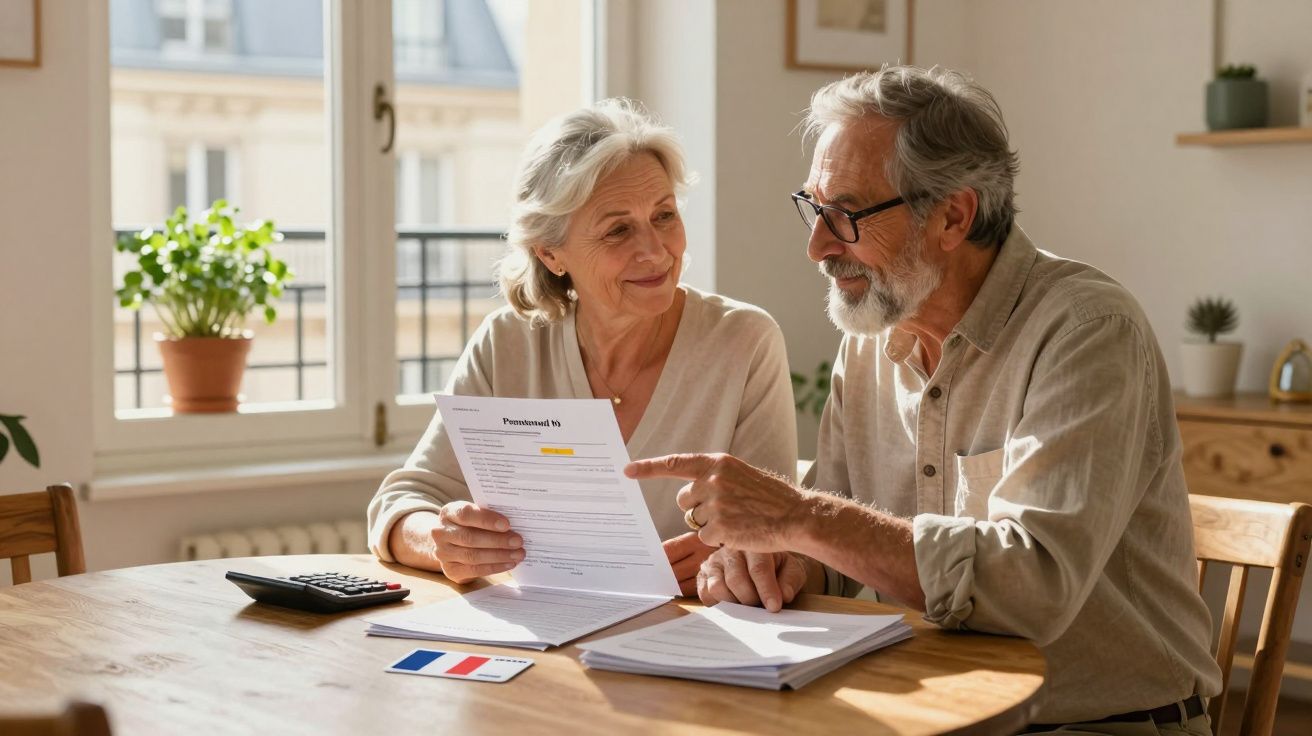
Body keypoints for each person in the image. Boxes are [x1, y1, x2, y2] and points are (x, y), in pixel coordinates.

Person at [626, 66, 1221, 732]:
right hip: (929, 709)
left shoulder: (1086, 332)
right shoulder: (874, 336)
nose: (817, 245)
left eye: (846, 214)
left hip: (1104, 722)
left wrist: (800, 517)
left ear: (953, 216)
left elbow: (1034, 588)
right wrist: (769, 564)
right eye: (814, 208)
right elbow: (832, 561)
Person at [367, 99, 797, 597]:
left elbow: (780, 530)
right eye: (618, 229)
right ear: (550, 253)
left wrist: (737, 557)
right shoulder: (507, 343)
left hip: (693, 640)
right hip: (546, 645)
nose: (656, 251)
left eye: (664, 215)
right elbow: (402, 501)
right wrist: (440, 540)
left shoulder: (743, 341)